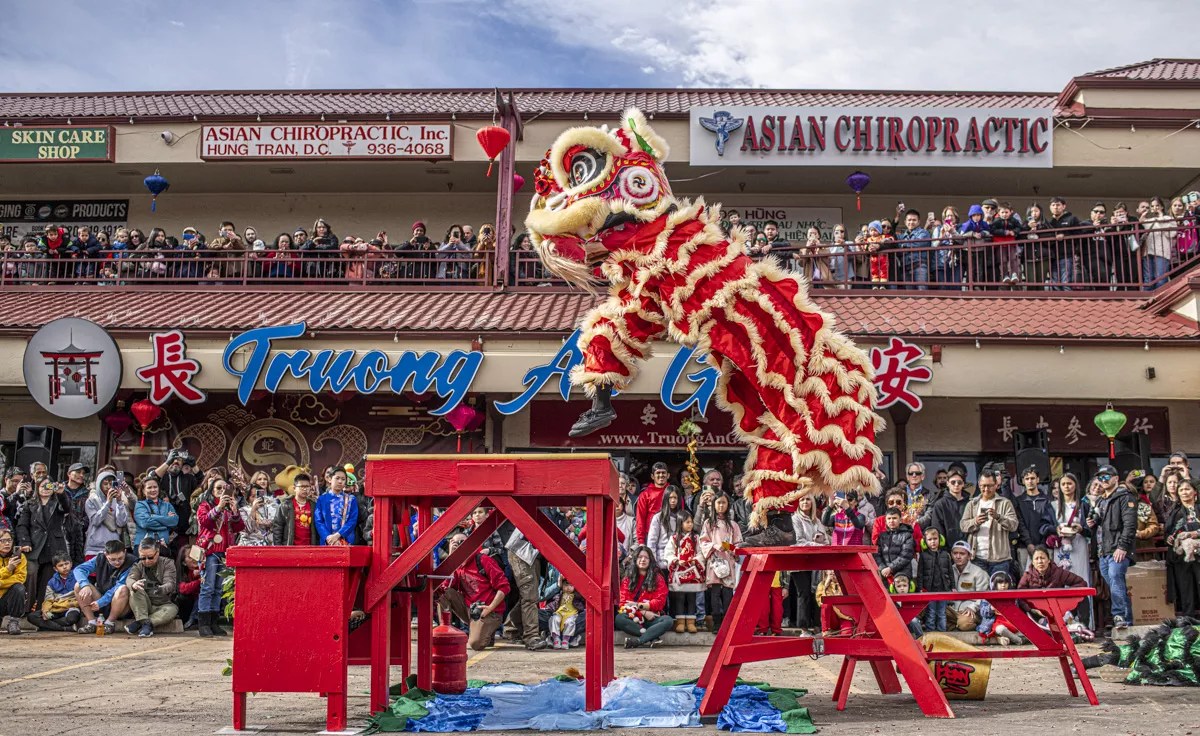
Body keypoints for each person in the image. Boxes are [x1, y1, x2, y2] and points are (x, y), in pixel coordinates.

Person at [435, 531, 510, 651]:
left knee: (475, 644)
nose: (458, 545)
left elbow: (504, 587)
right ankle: (444, 629)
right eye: (454, 542)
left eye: (462, 542)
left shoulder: (483, 560)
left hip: (489, 611)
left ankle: (487, 631)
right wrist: (451, 557)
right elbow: (445, 586)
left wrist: (490, 608)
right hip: (470, 610)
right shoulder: (457, 565)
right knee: (443, 593)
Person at [1088, 464, 1137, 633]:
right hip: (1103, 549)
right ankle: (1127, 620)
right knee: (1116, 584)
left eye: (1106, 477)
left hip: (1118, 547)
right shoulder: (1100, 500)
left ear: (1116, 478)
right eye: (1100, 478)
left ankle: (1120, 616)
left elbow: (1130, 524)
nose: (1103, 480)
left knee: (1116, 578)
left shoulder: (1125, 497)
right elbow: (1101, 525)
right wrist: (1092, 524)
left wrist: (1123, 546)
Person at [194, 477, 244, 637]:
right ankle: (203, 624)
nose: (223, 492)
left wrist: (235, 511)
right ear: (212, 491)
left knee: (218, 588)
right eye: (218, 488)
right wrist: (219, 507)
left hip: (225, 551)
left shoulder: (230, 508)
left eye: (225, 488)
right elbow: (204, 522)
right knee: (207, 587)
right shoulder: (205, 505)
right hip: (209, 551)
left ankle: (214, 622)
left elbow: (239, 527)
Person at [15, 478, 72, 612]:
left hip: (54, 546)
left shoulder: (57, 502)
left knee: (48, 579)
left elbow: (67, 507)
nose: (45, 488)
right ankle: (25, 609)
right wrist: (25, 542)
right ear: (37, 488)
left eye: (49, 485)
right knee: (31, 573)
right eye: (42, 486)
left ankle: (42, 610)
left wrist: (61, 493)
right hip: (35, 546)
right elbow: (22, 525)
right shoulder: (29, 504)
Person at [959, 470, 1019, 577]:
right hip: (976, 557)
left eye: (990, 486)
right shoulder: (972, 503)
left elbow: (1014, 525)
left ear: (996, 485)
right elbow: (963, 525)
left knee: (999, 591)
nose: (986, 489)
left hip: (1000, 559)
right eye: (983, 486)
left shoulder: (1005, 503)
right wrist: (975, 521)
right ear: (979, 485)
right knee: (979, 591)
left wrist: (998, 517)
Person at [73, 538, 134, 634]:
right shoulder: (100, 558)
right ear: (106, 554)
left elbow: (119, 586)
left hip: (121, 604)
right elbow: (79, 569)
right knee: (78, 586)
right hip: (101, 601)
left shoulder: (132, 562)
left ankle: (110, 623)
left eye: (120, 558)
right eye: (112, 559)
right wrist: (85, 585)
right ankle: (92, 622)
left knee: (123, 589)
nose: (117, 562)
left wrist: (101, 602)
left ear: (125, 552)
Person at [616, 546, 673, 648]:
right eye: (640, 557)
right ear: (635, 559)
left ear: (650, 560)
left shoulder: (658, 578)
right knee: (619, 618)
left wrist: (639, 606)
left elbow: (659, 602)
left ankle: (637, 641)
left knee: (668, 620)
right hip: (633, 618)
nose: (643, 560)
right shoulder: (627, 578)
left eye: (646, 557)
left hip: (652, 618)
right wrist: (643, 611)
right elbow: (623, 602)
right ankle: (651, 637)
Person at [701, 492, 743, 631]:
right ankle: (716, 623)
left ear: (728, 505)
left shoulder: (733, 525)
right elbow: (703, 541)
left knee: (727, 593)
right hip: (715, 561)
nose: (721, 505)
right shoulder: (708, 523)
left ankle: (727, 623)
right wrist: (714, 545)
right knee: (715, 592)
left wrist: (728, 547)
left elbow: (738, 544)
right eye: (718, 503)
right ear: (713, 505)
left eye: (723, 503)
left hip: (728, 560)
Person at [124, 538, 178, 637]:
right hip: (144, 604)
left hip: (163, 604)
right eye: (143, 558)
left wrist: (160, 589)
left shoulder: (168, 563)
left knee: (172, 610)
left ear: (157, 553)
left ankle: (143, 622)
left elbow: (170, 584)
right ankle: (145, 623)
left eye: (150, 557)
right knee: (134, 590)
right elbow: (130, 579)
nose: (147, 561)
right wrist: (133, 585)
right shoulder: (138, 565)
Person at [1164, 480, 1200, 617]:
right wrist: (1169, 538)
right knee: (1186, 590)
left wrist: (1194, 534)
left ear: (1194, 492)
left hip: (1199, 553)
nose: (1184, 492)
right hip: (1181, 557)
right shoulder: (1175, 513)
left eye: (1187, 489)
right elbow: (1168, 532)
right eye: (1181, 490)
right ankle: (1188, 622)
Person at [664, 515, 705, 633]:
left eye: (691, 522)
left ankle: (691, 622)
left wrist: (695, 560)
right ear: (680, 523)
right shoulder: (674, 538)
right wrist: (676, 560)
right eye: (687, 522)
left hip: (692, 570)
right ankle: (680, 622)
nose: (690, 524)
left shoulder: (696, 538)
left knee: (692, 597)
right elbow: (668, 553)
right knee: (680, 597)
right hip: (679, 570)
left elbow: (701, 552)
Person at [1014, 467, 1056, 571]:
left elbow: (1048, 523)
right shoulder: (1019, 501)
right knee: (1026, 578)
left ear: (1038, 479)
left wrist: (1040, 547)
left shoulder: (1047, 500)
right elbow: (1020, 524)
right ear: (1023, 481)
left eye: (1032, 478)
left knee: (1046, 578)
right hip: (1025, 547)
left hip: (1045, 546)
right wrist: (1028, 543)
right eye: (1027, 479)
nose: (1030, 481)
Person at [27, 553, 80, 632]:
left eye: (66, 564)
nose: (65, 567)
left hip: (71, 607)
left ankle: (46, 626)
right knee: (31, 617)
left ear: (71, 564)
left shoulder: (78, 576)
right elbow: (48, 599)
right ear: (55, 569)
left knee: (72, 619)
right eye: (61, 565)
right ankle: (64, 628)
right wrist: (45, 611)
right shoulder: (51, 582)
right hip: (55, 608)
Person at [922, 469, 970, 549]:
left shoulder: (970, 503)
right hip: (947, 550)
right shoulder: (940, 504)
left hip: (967, 549)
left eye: (959, 482)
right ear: (947, 483)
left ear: (963, 484)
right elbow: (937, 530)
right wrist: (943, 550)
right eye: (953, 482)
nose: (956, 484)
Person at [917, 526, 953, 632]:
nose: (933, 542)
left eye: (935, 539)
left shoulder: (945, 555)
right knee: (931, 612)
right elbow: (920, 573)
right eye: (930, 539)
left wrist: (953, 586)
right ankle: (931, 632)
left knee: (942, 613)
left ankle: (942, 632)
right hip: (929, 589)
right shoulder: (923, 556)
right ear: (925, 541)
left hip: (943, 589)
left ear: (940, 539)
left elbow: (950, 572)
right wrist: (920, 588)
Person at [948, 541, 990, 631]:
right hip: (952, 609)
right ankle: (955, 625)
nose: (958, 556)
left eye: (962, 553)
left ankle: (957, 625)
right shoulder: (949, 570)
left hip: (970, 610)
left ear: (969, 556)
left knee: (964, 624)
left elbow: (984, 596)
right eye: (955, 553)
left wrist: (973, 607)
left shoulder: (978, 573)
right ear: (951, 554)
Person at [1139, 196, 1178, 290]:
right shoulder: (1149, 220)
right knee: (1148, 279)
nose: (1155, 208)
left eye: (1157, 205)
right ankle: (1148, 301)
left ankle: (1161, 299)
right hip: (1148, 252)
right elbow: (1141, 224)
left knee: (1161, 278)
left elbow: (1172, 233)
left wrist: (1161, 218)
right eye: (1152, 206)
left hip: (1162, 252)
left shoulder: (1168, 218)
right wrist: (1143, 215)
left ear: (1162, 207)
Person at [1047, 196, 1084, 290]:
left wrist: (1065, 236)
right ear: (1050, 207)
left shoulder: (1072, 219)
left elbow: (1078, 236)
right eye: (1053, 205)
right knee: (1054, 284)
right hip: (1052, 257)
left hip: (1067, 255)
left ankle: (1067, 303)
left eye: (1058, 205)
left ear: (1064, 206)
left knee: (1066, 282)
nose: (1055, 207)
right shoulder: (1048, 223)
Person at [315, 467, 358, 546]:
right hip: (327, 542)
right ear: (330, 479)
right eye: (337, 478)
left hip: (345, 541)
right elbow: (319, 521)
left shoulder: (351, 499)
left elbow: (352, 520)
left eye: (343, 479)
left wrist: (338, 535)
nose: (340, 481)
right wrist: (328, 538)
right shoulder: (322, 499)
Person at [272, 472, 318, 545]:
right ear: (294, 488)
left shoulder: (314, 505)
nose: (305, 489)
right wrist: (278, 547)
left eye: (307, 486)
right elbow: (278, 527)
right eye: (302, 486)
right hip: (290, 547)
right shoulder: (285, 505)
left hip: (310, 547)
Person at [646, 487, 686, 568]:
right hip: (662, 561)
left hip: (680, 560)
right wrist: (653, 562)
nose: (673, 501)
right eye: (670, 498)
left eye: (675, 498)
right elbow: (652, 542)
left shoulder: (683, 516)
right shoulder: (658, 517)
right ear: (666, 499)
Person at [134, 475, 178, 546]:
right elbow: (145, 523)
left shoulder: (167, 505)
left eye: (155, 487)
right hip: (144, 547)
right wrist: (166, 523)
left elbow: (174, 521)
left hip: (164, 545)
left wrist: (153, 516)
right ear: (143, 491)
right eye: (149, 487)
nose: (153, 490)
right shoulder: (140, 505)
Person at [238, 471, 278, 546]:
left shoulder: (271, 506)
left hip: (267, 545)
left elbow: (278, 525)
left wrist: (271, 523)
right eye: (253, 496)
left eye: (265, 479)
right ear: (248, 498)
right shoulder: (243, 510)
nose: (262, 481)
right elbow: (248, 529)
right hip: (248, 546)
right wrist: (253, 509)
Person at [875, 507, 916, 581]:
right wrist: (882, 568)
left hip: (903, 573)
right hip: (885, 573)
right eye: (889, 518)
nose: (891, 521)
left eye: (894, 518)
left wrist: (891, 568)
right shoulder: (882, 536)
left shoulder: (907, 535)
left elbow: (906, 555)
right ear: (886, 521)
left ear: (900, 520)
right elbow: (877, 554)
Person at [635, 463, 671, 545]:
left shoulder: (674, 492)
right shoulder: (645, 494)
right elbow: (640, 518)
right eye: (658, 473)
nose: (661, 475)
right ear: (652, 476)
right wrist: (641, 541)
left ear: (668, 475)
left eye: (663, 472)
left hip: (670, 534)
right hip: (650, 534)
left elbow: (680, 513)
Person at [895, 209, 932, 288]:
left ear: (918, 222)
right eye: (909, 220)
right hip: (905, 268)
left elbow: (920, 243)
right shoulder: (901, 236)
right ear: (905, 222)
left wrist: (904, 246)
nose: (911, 222)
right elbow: (896, 245)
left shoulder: (923, 233)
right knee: (909, 297)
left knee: (922, 295)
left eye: (914, 220)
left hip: (919, 266)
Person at [0, 528, 27, 634]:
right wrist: (8, 569)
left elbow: (20, 578)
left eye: (9, 540)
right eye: (2, 541)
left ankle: (14, 622)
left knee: (19, 588)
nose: (7, 543)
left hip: (8, 598)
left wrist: (1, 583)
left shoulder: (19, 557)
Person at [959, 205, 992, 288]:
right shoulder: (967, 224)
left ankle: (979, 286)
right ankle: (970, 287)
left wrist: (982, 233)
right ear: (971, 216)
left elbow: (989, 232)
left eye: (978, 215)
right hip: (969, 250)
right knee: (971, 269)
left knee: (980, 269)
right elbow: (961, 235)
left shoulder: (983, 224)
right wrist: (972, 234)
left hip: (980, 249)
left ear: (981, 215)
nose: (976, 217)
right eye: (974, 215)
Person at [545, 579, 582, 649]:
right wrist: (548, 608)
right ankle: (556, 639)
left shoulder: (577, 595)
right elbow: (553, 603)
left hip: (571, 613)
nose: (568, 588)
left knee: (570, 622)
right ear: (562, 586)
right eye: (566, 585)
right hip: (560, 612)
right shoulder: (559, 595)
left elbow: (582, 600)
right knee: (554, 619)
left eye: (571, 585)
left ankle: (566, 640)